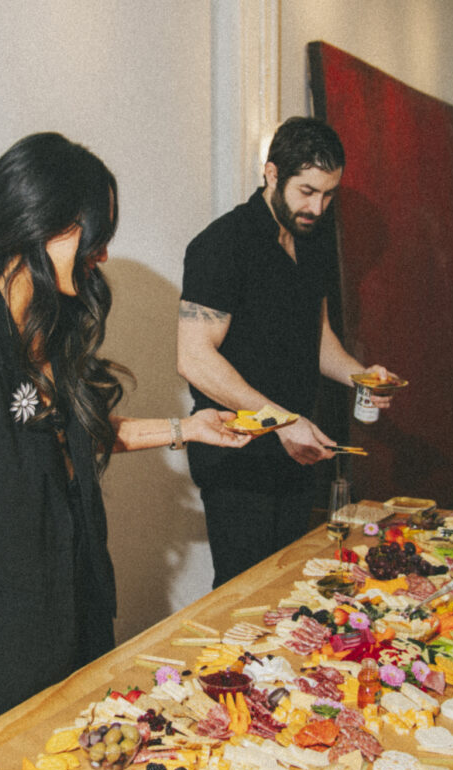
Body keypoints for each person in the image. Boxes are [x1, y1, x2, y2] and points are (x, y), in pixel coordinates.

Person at [0, 132, 250, 770]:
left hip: (80, 602)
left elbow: (73, 436)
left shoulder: (48, 318)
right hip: (9, 637)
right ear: (40, 228)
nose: (101, 254)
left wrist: (188, 428)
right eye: (92, 236)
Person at [177, 116, 396, 587]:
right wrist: (282, 419)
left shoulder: (312, 240)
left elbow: (316, 336)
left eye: (329, 193)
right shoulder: (221, 245)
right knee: (243, 595)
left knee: (294, 589)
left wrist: (360, 375)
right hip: (237, 454)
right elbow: (194, 357)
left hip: (296, 449)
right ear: (271, 173)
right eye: (307, 191)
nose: (318, 207)